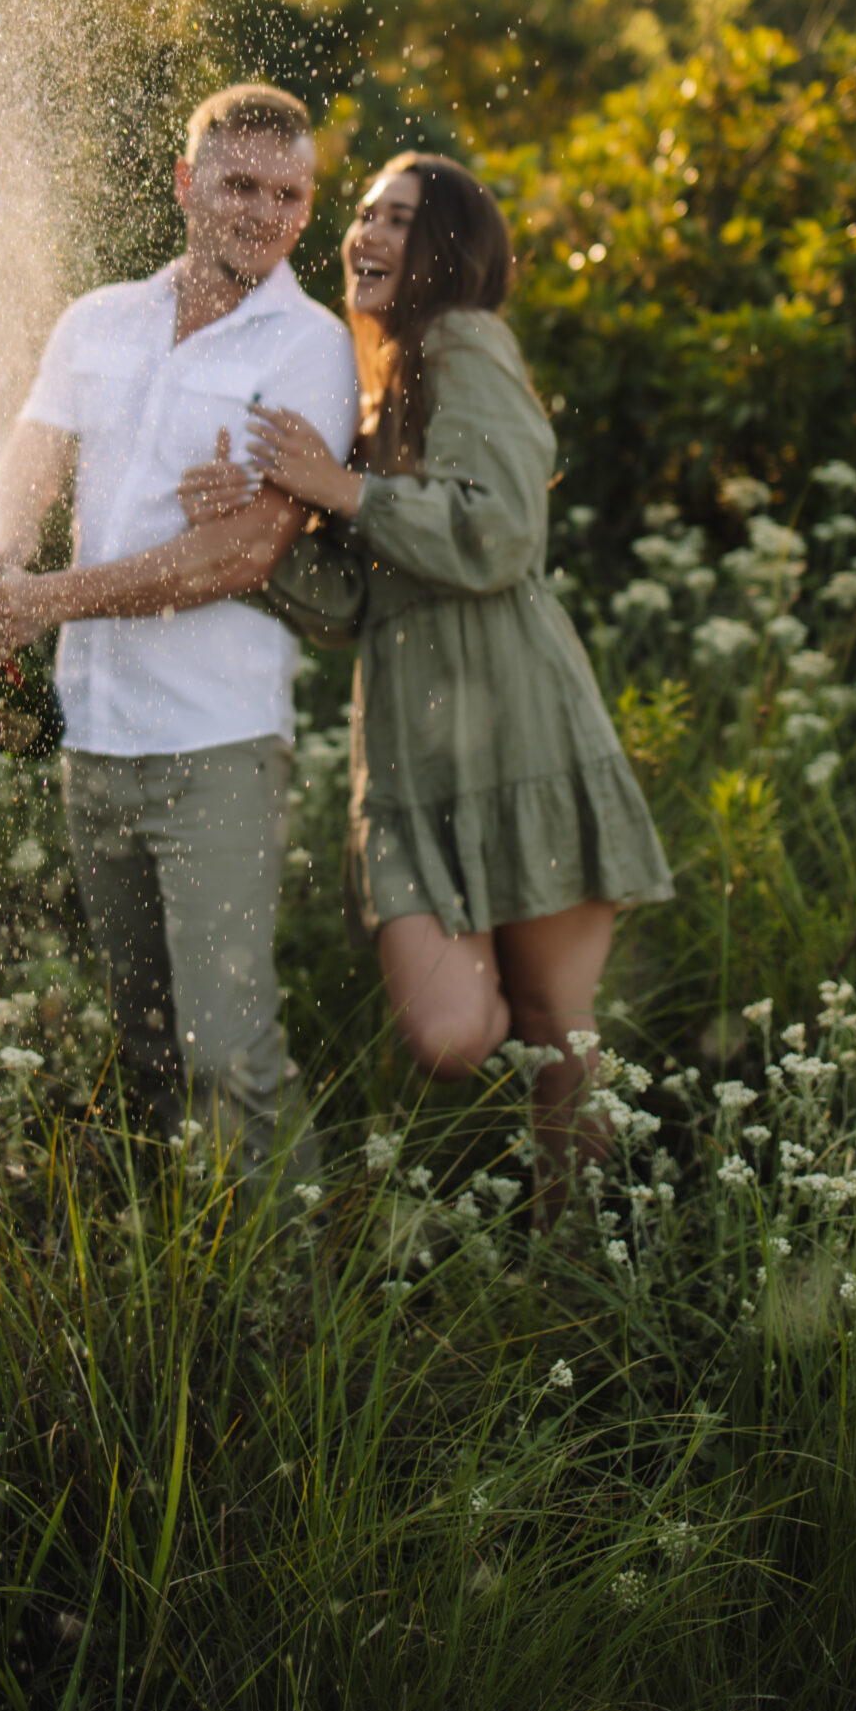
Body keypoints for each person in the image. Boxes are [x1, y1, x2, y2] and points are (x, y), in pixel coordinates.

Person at [176, 153, 672, 1198]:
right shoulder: (382, 386)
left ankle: (574, 1263)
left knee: (555, 1037)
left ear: (450, 243)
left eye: (399, 218)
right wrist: (252, 538)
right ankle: (529, 1161)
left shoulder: (464, 342)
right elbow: (356, 605)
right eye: (362, 214)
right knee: (452, 1034)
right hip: (410, 756)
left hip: (525, 731)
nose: (368, 233)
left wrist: (338, 489)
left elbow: (499, 532)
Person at [0, 84, 358, 1174]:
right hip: (97, 740)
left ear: (307, 210)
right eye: (239, 184)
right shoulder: (98, 321)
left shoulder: (309, 347)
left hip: (215, 745)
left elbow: (242, 554)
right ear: (185, 184)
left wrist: (45, 599)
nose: (263, 212)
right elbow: (21, 480)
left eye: (288, 193)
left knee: (230, 1048)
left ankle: (287, 1316)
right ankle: (177, 1288)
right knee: (148, 1048)